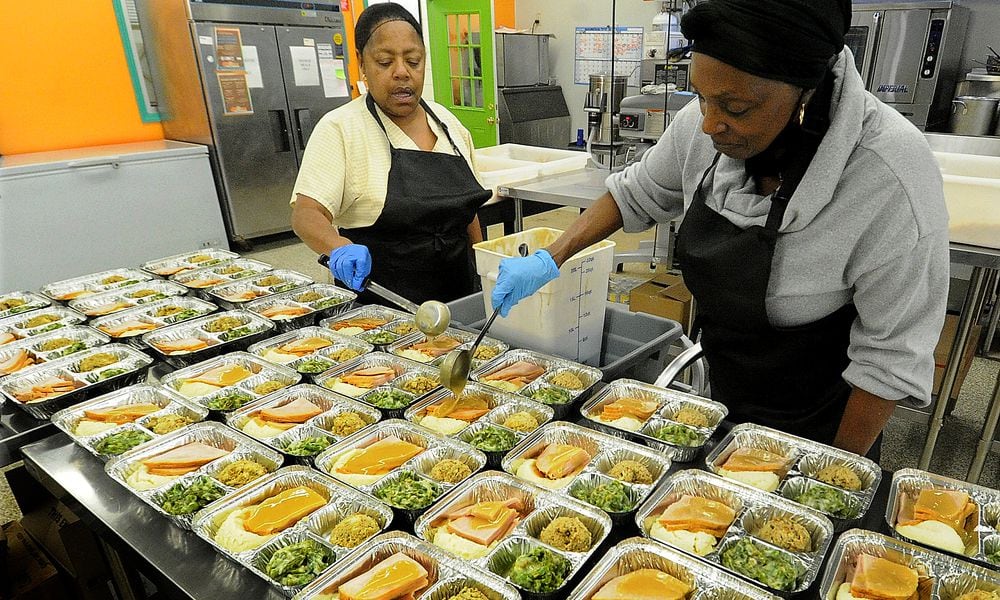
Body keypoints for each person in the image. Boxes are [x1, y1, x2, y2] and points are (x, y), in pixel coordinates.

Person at [491, 0, 949, 457]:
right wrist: (552, 257)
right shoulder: (703, 124)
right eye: (701, 97)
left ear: (805, 92)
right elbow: (635, 192)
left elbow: (889, 360)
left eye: (735, 106)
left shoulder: (889, 175)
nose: (709, 123)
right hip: (719, 400)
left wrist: (831, 474)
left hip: (821, 424)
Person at [290, 3, 490, 304]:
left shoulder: (449, 124)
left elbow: (468, 211)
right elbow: (306, 214)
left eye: (414, 61)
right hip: (382, 310)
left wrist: (486, 270)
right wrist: (338, 247)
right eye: (385, 62)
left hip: (460, 299)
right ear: (362, 64)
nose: (402, 73)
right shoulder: (341, 128)